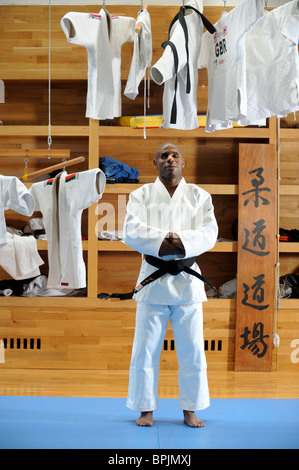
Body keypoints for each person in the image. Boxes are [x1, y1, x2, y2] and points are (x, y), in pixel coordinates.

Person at [123, 143, 218, 427]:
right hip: (152, 280)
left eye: (175, 155)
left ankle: (191, 409)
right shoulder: (140, 195)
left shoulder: (200, 196)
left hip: (187, 281)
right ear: (155, 163)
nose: (170, 159)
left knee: (192, 349)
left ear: (183, 162)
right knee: (145, 349)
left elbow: (209, 233)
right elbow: (131, 231)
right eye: (164, 156)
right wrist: (165, 241)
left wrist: (176, 242)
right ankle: (145, 409)